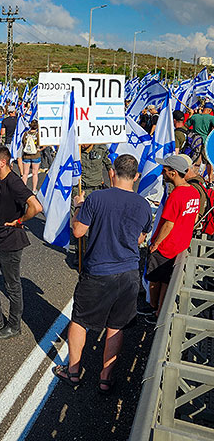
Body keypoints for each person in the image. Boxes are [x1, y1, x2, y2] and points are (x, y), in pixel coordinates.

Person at [52, 154, 153, 394]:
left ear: (112, 173)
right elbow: (140, 238)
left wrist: (78, 206)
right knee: (116, 325)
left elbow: (78, 232)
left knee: (80, 320)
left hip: (97, 271)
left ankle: (74, 370)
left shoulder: (96, 198)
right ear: (136, 177)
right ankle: (105, 378)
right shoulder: (143, 205)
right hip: (128, 273)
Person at [0, 145, 42, 339]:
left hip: (11, 240)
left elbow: (36, 207)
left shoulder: (14, 182)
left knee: (12, 285)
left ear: (2, 162)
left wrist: (20, 221)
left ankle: (14, 326)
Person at [144, 155, 200, 325]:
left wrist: (156, 244)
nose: (163, 172)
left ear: (174, 173)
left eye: (165, 170)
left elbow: (169, 224)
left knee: (154, 278)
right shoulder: (193, 192)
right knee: (166, 281)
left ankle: (153, 307)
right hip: (180, 245)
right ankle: (160, 311)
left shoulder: (176, 195)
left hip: (166, 247)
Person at [20, 120, 43, 193]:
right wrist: (40, 149)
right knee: (35, 173)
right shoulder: (38, 134)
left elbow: (23, 143)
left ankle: (23, 189)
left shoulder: (25, 133)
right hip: (36, 155)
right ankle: (34, 189)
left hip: (26, 155)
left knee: (25, 173)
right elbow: (43, 144)